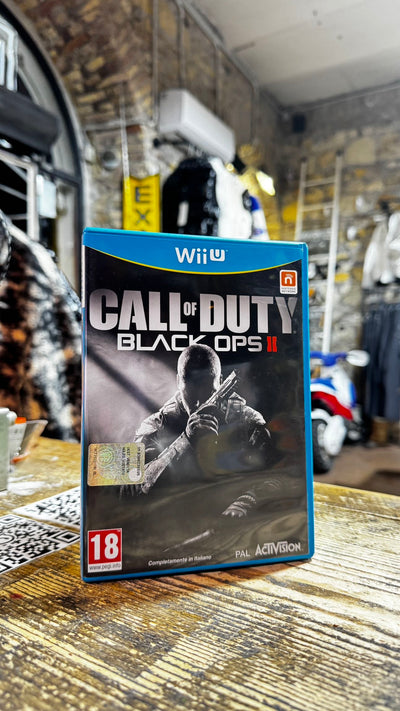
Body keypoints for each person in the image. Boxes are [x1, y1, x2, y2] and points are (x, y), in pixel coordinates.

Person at [134, 344, 274, 516]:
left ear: (220, 381)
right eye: (192, 387)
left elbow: (276, 475)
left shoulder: (248, 420)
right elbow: (129, 489)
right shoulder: (155, 425)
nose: (200, 401)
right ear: (178, 382)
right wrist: (185, 441)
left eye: (208, 389)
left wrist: (246, 502)